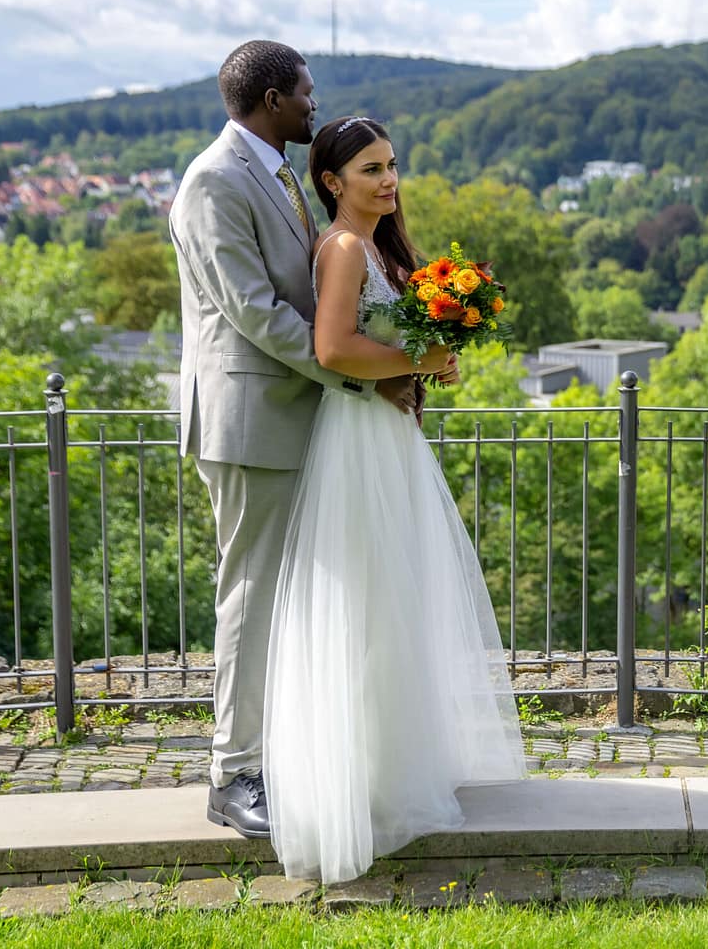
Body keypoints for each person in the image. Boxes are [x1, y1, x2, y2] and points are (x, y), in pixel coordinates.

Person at [262, 115, 526, 884]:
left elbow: (382, 346)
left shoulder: (380, 248)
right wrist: (419, 354)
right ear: (331, 183)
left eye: (391, 165)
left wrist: (431, 359)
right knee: (370, 607)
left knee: (397, 603)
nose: (388, 180)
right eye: (370, 169)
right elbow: (334, 348)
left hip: (392, 434)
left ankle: (396, 764)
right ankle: (365, 786)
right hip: (359, 440)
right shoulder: (343, 249)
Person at [170, 41, 419, 839]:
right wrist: (363, 374)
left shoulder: (273, 173)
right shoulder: (215, 179)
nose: (316, 105)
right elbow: (255, 314)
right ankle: (232, 772)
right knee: (251, 596)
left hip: (296, 416)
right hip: (249, 421)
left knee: (290, 599)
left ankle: (281, 753)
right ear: (273, 98)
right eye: (307, 94)